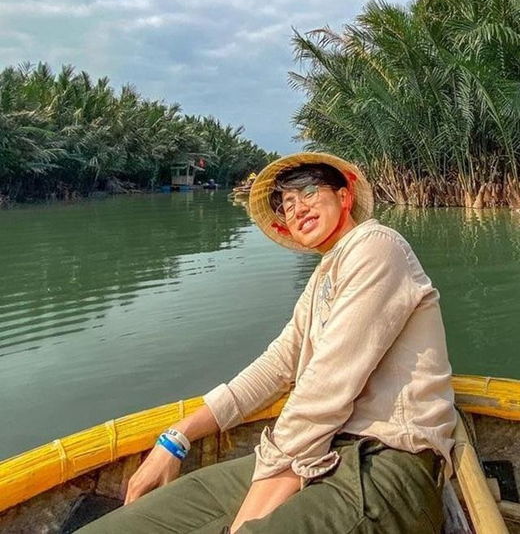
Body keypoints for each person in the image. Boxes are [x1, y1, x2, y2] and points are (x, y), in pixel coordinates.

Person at [79, 152, 456, 533]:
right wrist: (177, 438)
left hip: (385, 466)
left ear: (344, 196)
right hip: (319, 451)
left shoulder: (377, 247)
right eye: (287, 204)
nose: (298, 208)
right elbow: (275, 367)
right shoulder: (322, 279)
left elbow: (326, 388)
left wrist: (260, 497)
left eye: (309, 192)